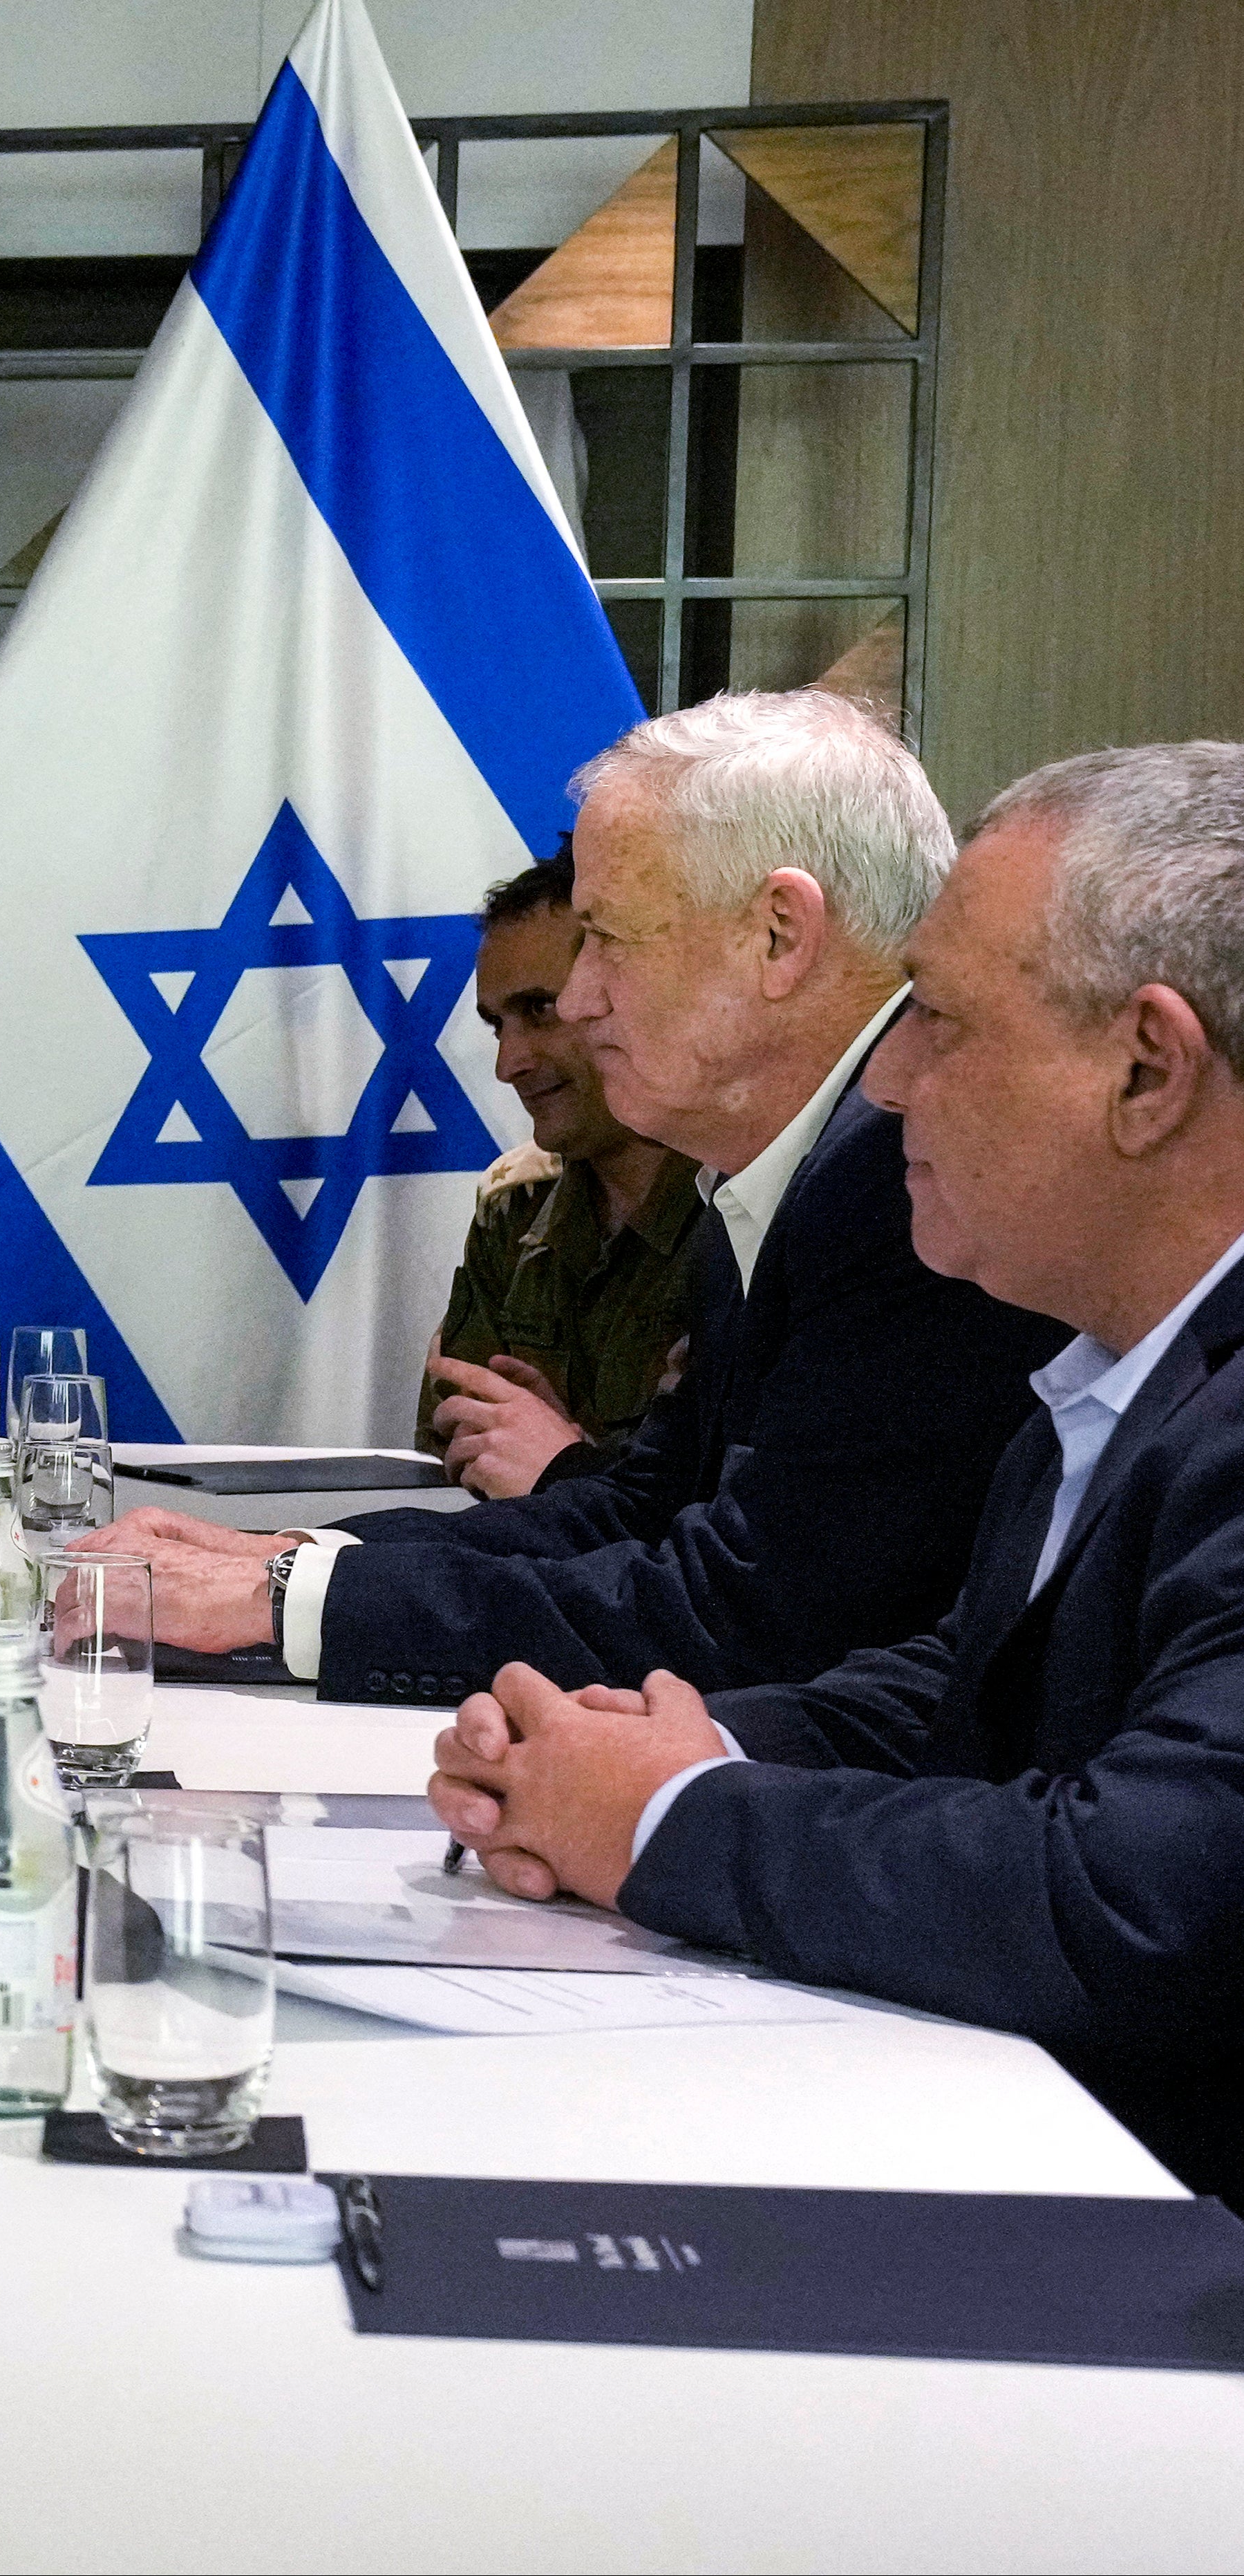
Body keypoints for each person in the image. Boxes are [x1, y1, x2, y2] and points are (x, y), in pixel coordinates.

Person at [431, 743, 1244, 2201]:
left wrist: (661, 1818)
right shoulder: (1121, 1371)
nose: (890, 1077)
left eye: (937, 1017)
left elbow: (1134, 1900)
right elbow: (969, 1690)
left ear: (1147, 1069)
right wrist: (665, 1741)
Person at [108, 689, 1065, 1704]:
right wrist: (297, 1561)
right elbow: (640, 1509)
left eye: (607, 937)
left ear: (780, 935)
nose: (576, 998)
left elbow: (752, 1612)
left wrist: (285, 1595)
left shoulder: (907, 1183)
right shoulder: (779, 1172)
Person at [416, 847, 701, 1497]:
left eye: (541, 1010)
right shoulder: (513, 1207)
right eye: (497, 1027)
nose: (509, 1063)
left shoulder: (746, 1207)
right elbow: (451, 1473)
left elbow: (744, 1527)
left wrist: (569, 1465)